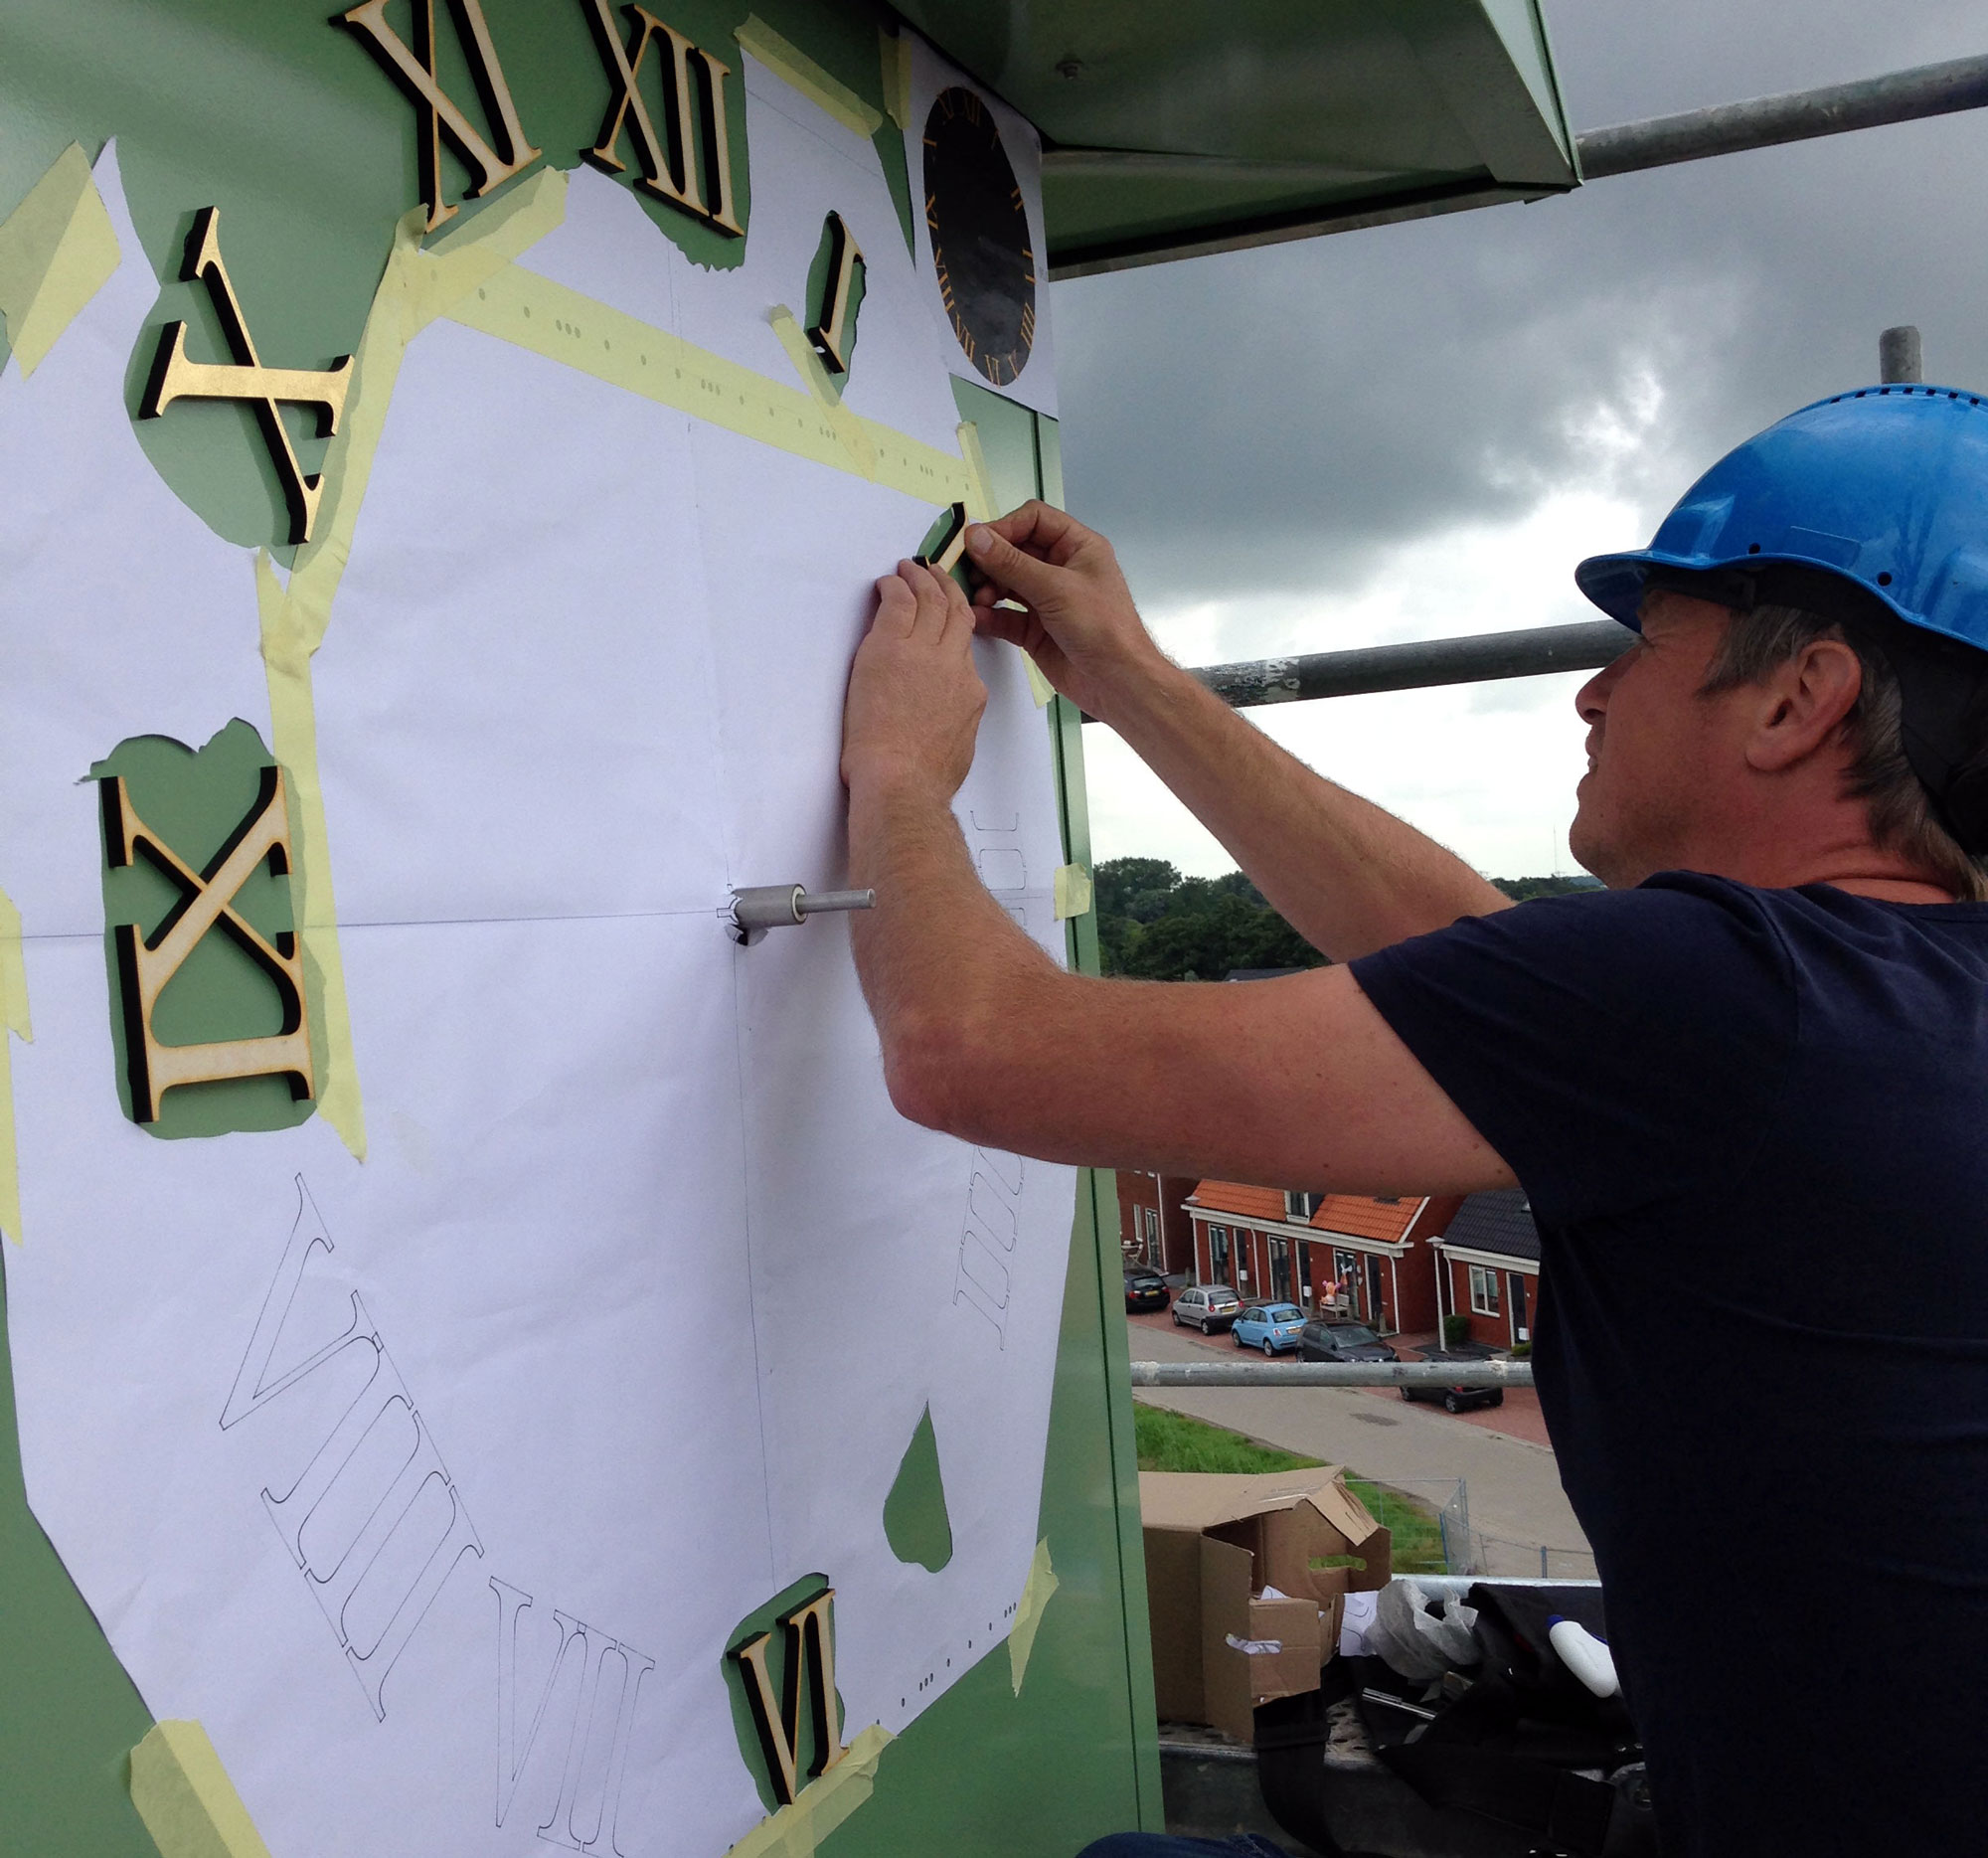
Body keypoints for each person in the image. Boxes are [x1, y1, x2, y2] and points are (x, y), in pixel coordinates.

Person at [839, 386, 1988, 1857]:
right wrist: (1125, 675)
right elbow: (1458, 949)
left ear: (1796, 698)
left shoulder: (1712, 1005)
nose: (1591, 694)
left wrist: (901, 772)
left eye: (1643, 647)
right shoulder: (1863, 1011)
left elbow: (966, 1047)